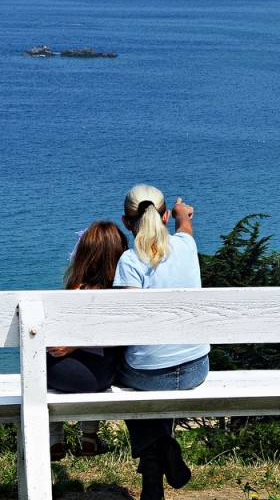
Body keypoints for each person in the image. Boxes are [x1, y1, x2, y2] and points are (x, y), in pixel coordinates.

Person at [115, 184, 210, 500]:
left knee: (126, 368)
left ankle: (160, 453)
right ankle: (153, 475)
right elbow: (186, 228)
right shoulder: (186, 245)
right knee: (159, 361)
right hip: (197, 367)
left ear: (127, 222)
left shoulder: (130, 261)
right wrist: (185, 214)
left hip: (151, 375)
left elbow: (126, 327)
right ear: (165, 216)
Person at [45, 220, 128, 460]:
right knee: (102, 361)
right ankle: (89, 440)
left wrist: (71, 345)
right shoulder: (121, 293)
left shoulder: (75, 288)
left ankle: (54, 441)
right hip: (98, 379)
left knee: (43, 358)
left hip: (59, 375)